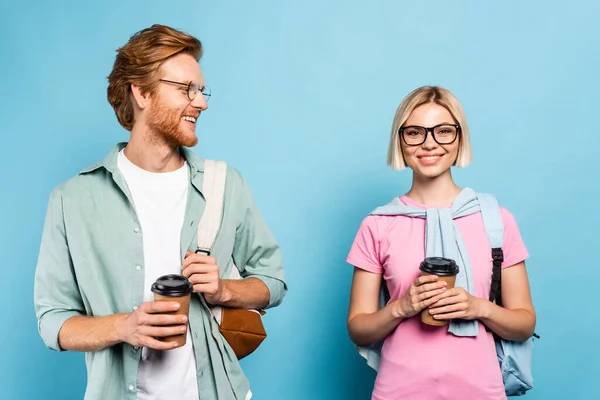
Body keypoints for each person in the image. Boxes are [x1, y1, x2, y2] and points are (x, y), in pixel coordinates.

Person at [34, 24, 286, 400]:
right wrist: (124, 327)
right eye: (187, 89)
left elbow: (273, 284)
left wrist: (222, 290)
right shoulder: (72, 199)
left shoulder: (224, 184)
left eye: (201, 91)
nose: (201, 102)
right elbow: (53, 321)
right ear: (141, 92)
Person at [346, 86, 535, 400]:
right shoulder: (378, 224)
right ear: (400, 140)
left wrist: (478, 308)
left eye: (444, 131)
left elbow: (524, 323)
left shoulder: (497, 220)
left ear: (460, 139)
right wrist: (402, 307)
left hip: (481, 392)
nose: (429, 143)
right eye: (415, 132)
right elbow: (358, 328)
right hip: (398, 392)